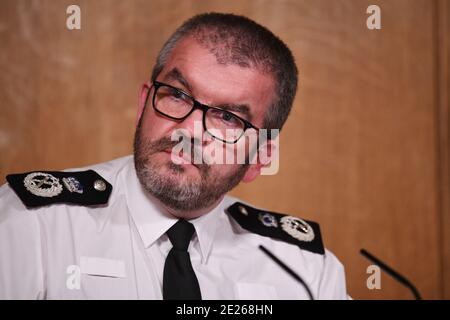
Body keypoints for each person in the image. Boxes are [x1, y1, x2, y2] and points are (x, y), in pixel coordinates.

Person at [0, 12, 348, 299]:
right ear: (143, 104)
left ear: (260, 157)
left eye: (228, 118)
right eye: (178, 95)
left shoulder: (304, 271)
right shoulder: (32, 226)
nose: (189, 131)